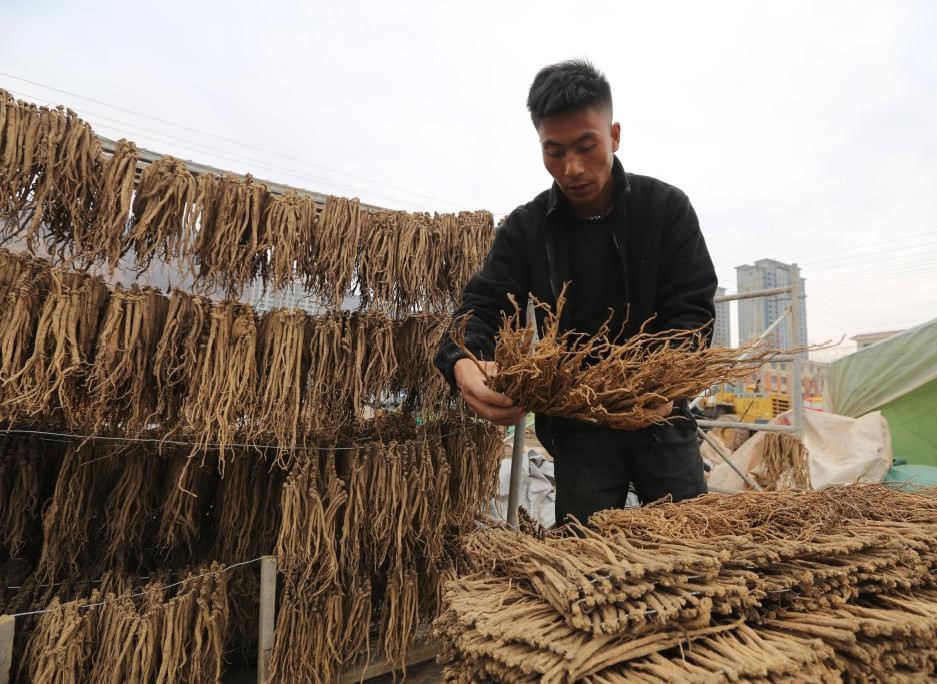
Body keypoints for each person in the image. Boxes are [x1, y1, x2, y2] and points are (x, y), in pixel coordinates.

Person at [434, 59, 717, 525]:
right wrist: (465, 363)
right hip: (576, 429)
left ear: (615, 135)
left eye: (587, 146)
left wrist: (661, 387)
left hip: (663, 420)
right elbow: (479, 310)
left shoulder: (666, 209)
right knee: (586, 566)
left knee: (693, 554)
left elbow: (692, 313)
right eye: (554, 151)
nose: (572, 168)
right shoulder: (525, 229)